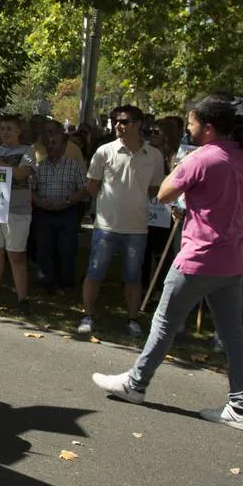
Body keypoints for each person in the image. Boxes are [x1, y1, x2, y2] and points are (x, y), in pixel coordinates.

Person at [92, 95, 243, 432]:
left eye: (192, 123)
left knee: (164, 322)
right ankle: (241, 407)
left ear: (208, 128)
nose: (188, 128)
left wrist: (186, 162)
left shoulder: (203, 157)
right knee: (233, 336)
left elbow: (165, 193)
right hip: (233, 258)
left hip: (199, 257)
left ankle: (136, 384)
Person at [78, 105, 165, 337]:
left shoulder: (154, 156)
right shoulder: (104, 151)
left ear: (138, 125)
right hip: (106, 225)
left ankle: (133, 319)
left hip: (137, 227)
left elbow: (154, 189)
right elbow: (92, 186)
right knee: (95, 272)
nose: (118, 125)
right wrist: (108, 207)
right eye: (116, 121)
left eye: (124, 121)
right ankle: (87, 315)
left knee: (133, 277)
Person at [0, 115, 37, 306]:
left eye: (9, 129)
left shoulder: (28, 151)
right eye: (2, 129)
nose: (4, 132)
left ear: (19, 131)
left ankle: (22, 300)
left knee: (16, 254)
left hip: (17, 209)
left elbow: (22, 173)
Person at [30, 120, 88, 293]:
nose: (51, 146)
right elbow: (30, 189)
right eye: (48, 143)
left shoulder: (74, 165)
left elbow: (85, 188)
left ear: (64, 145)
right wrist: (39, 201)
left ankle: (66, 282)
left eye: (55, 143)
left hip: (67, 211)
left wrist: (69, 201)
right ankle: (46, 281)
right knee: (43, 248)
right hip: (44, 212)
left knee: (67, 248)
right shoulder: (39, 167)